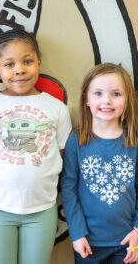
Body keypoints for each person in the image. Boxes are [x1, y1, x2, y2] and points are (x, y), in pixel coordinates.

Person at [0, 28, 72, 264]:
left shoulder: (57, 109)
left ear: (39, 62)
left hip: (41, 211)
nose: (19, 70)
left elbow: (62, 162)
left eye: (27, 61)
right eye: (9, 64)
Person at [61, 63, 138, 264]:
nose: (107, 101)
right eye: (98, 93)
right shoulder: (76, 141)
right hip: (87, 242)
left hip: (127, 241)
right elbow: (69, 190)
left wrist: (137, 230)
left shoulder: (134, 142)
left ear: (128, 99)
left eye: (116, 94)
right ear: (86, 98)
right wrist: (77, 234)